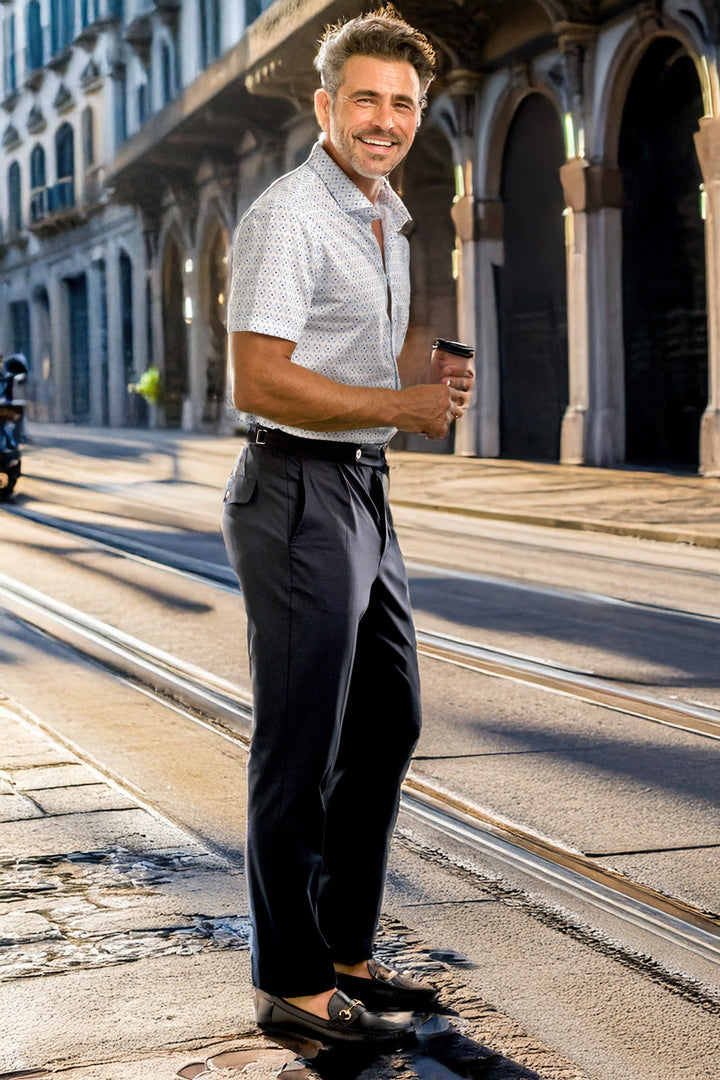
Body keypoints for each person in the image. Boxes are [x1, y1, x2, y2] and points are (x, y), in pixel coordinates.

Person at [222, 7, 475, 1046]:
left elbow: (342, 358)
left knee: (384, 726)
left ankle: (344, 952)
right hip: (294, 493)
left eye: (403, 103)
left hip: (361, 487)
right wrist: (396, 407)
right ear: (325, 105)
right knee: (300, 744)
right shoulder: (289, 215)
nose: (385, 119)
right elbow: (259, 376)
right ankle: (291, 978)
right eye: (365, 99)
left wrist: (417, 382)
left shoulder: (384, 214)